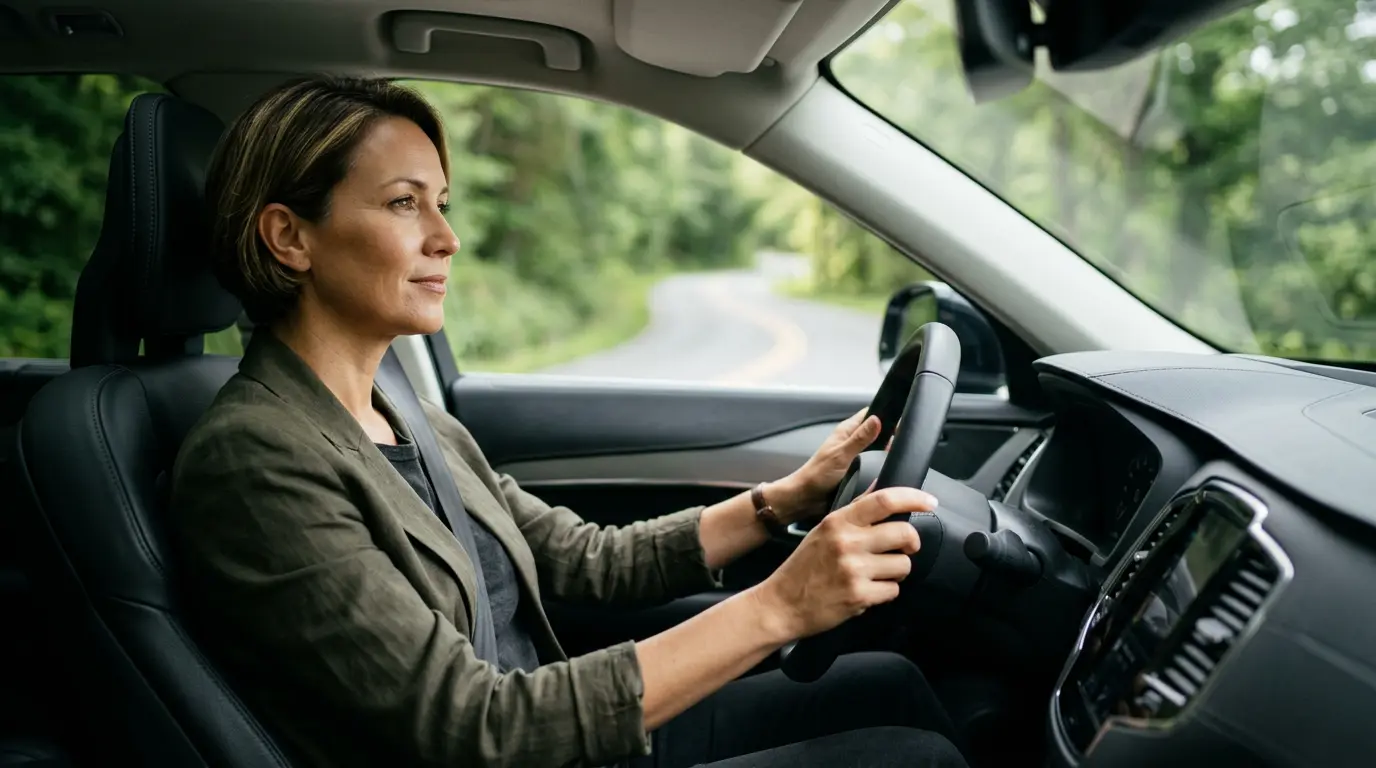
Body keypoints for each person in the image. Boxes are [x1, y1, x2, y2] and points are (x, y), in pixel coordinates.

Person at [169, 76, 968, 768]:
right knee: (913, 759)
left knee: (888, 684)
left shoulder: (405, 415)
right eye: (404, 203)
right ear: (290, 237)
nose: (447, 238)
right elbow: (472, 726)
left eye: (442, 204)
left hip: (558, 735)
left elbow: (587, 560)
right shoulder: (254, 459)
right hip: (519, 744)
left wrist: (782, 500)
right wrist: (781, 606)